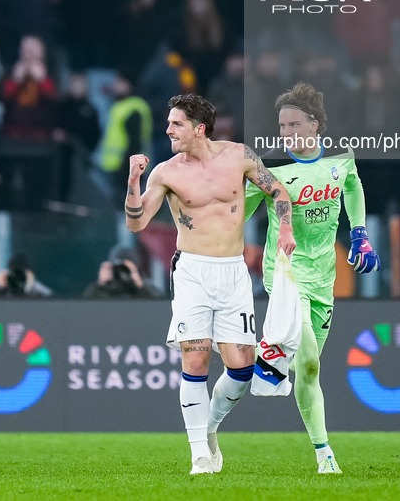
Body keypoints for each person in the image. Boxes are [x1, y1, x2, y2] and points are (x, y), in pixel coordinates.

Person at [125, 93, 295, 475]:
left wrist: (284, 226)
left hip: (234, 272)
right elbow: (136, 223)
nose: (168, 130)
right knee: (196, 359)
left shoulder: (239, 156)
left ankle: (211, 426)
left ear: (199, 129)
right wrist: (134, 181)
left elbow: (277, 190)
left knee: (242, 366)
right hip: (192, 271)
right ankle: (199, 452)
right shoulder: (166, 172)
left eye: (176, 124)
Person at [245, 81, 380, 475]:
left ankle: (257, 358)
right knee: (306, 360)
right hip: (285, 272)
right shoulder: (271, 165)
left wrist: (359, 233)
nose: (286, 133)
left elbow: (353, 187)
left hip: (324, 276)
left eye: (293, 125)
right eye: (281, 126)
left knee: (308, 368)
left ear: (315, 124)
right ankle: (326, 455)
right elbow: (238, 210)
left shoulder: (340, 155)